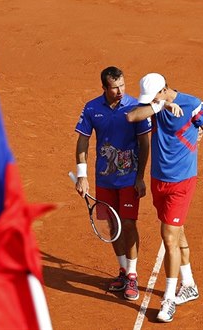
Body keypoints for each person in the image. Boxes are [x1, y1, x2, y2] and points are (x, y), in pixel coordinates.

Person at [126, 73, 203, 323]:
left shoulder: (191, 104)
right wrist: (159, 104)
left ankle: (169, 299)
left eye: (154, 97)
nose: (149, 102)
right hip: (158, 180)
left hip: (182, 181)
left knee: (169, 237)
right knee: (177, 231)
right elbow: (132, 116)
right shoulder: (154, 104)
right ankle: (189, 284)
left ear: (164, 89)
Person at [73, 66, 151, 301]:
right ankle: (123, 271)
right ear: (105, 88)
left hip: (129, 179)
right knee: (113, 226)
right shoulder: (91, 108)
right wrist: (82, 174)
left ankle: (133, 275)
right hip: (105, 178)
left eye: (123, 86)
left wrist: (139, 177)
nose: (120, 91)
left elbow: (144, 144)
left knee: (128, 224)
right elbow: (83, 142)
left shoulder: (136, 107)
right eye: (115, 87)